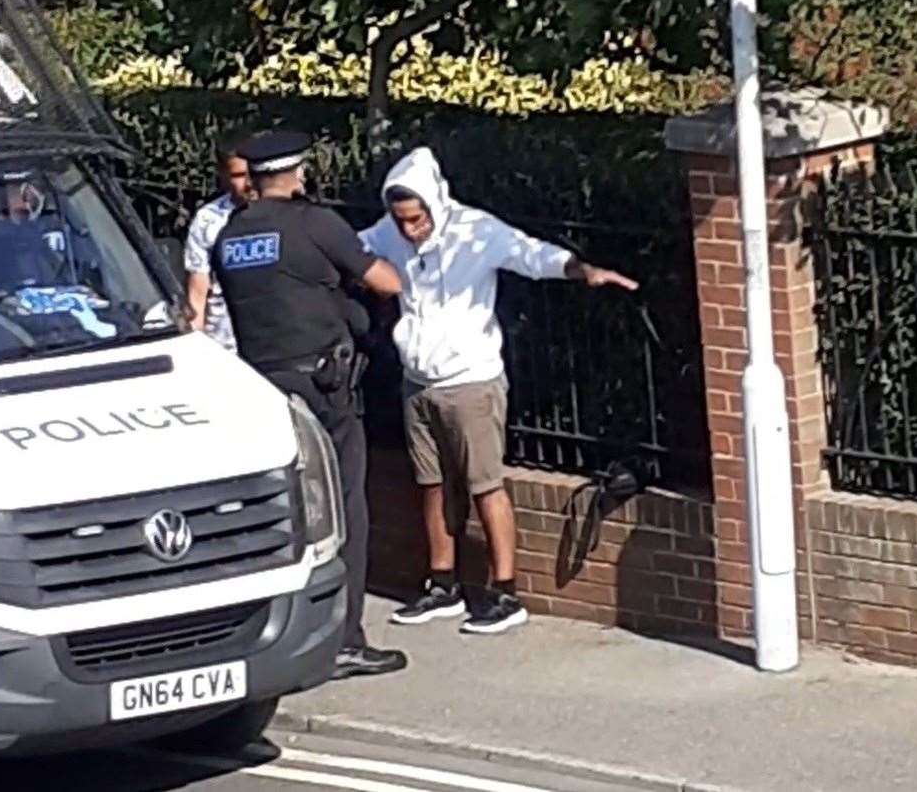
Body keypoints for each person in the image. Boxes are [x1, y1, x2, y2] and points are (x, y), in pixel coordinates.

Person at [359, 146, 639, 635]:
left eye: (417, 219)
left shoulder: (475, 231)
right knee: (432, 484)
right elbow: (348, 247)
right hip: (418, 380)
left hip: (471, 379)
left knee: (484, 484)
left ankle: (505, 591)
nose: (409, 230)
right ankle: (442, 584)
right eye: (401, 220)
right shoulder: (388, 233)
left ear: (435, 204)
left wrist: (582, 270)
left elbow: (530, 254)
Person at [213, 129, 408, 679]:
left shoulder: (230, 236)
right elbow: (386, 282)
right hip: (324, 390)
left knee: (285, 515)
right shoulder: (316, 223)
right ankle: (344, 640)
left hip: (264, 389)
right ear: (297, 173)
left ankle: (278, 635)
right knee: (345, 507)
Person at [184, 147, 253, 352]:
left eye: (253, 174)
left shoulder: (284, 214)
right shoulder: (208, 219)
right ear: (223, 176)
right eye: (239, 175)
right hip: (225, 347)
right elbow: (197, 293)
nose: (249, 184)